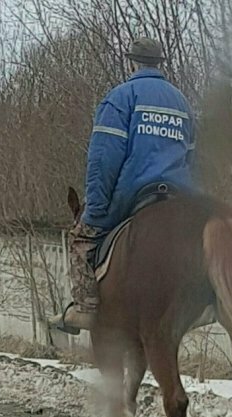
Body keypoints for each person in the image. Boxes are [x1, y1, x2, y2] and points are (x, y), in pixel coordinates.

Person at [54, 37, 196, 334]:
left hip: (134, 193)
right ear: (159, 64)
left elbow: (104, 160)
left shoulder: (121, 97)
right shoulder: (181, 102)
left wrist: (96, 209)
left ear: (131, 62)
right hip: (179, 197)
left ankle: (86, 310)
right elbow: (192, 157)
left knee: (81, 240)